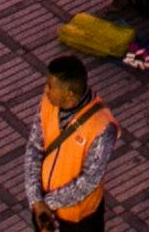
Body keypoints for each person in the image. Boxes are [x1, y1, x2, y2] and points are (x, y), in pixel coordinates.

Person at [29, 55, 114, 229]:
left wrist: (47, 203)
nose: (45, 90)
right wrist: (36, 200)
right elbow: (34, 148)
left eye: (50, 86)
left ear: (69, 93)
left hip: (80, 219)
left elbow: (89, 180)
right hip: (45, 212)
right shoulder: (47, 103)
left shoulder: (102, 126)